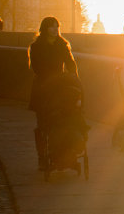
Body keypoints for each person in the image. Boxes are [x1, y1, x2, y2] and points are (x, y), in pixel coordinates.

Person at [28, 17, 86, 171]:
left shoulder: (62, 44)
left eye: (57, 27)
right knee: (42, 125)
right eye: (51, 27)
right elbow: (36, 67)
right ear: (44, 29)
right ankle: (42, 157)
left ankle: (66, 152)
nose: (55, 30)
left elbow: (70, 63)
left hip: (60, 86)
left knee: (65, 118)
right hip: (43, 87)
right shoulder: (36, 46)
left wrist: (74, 78)